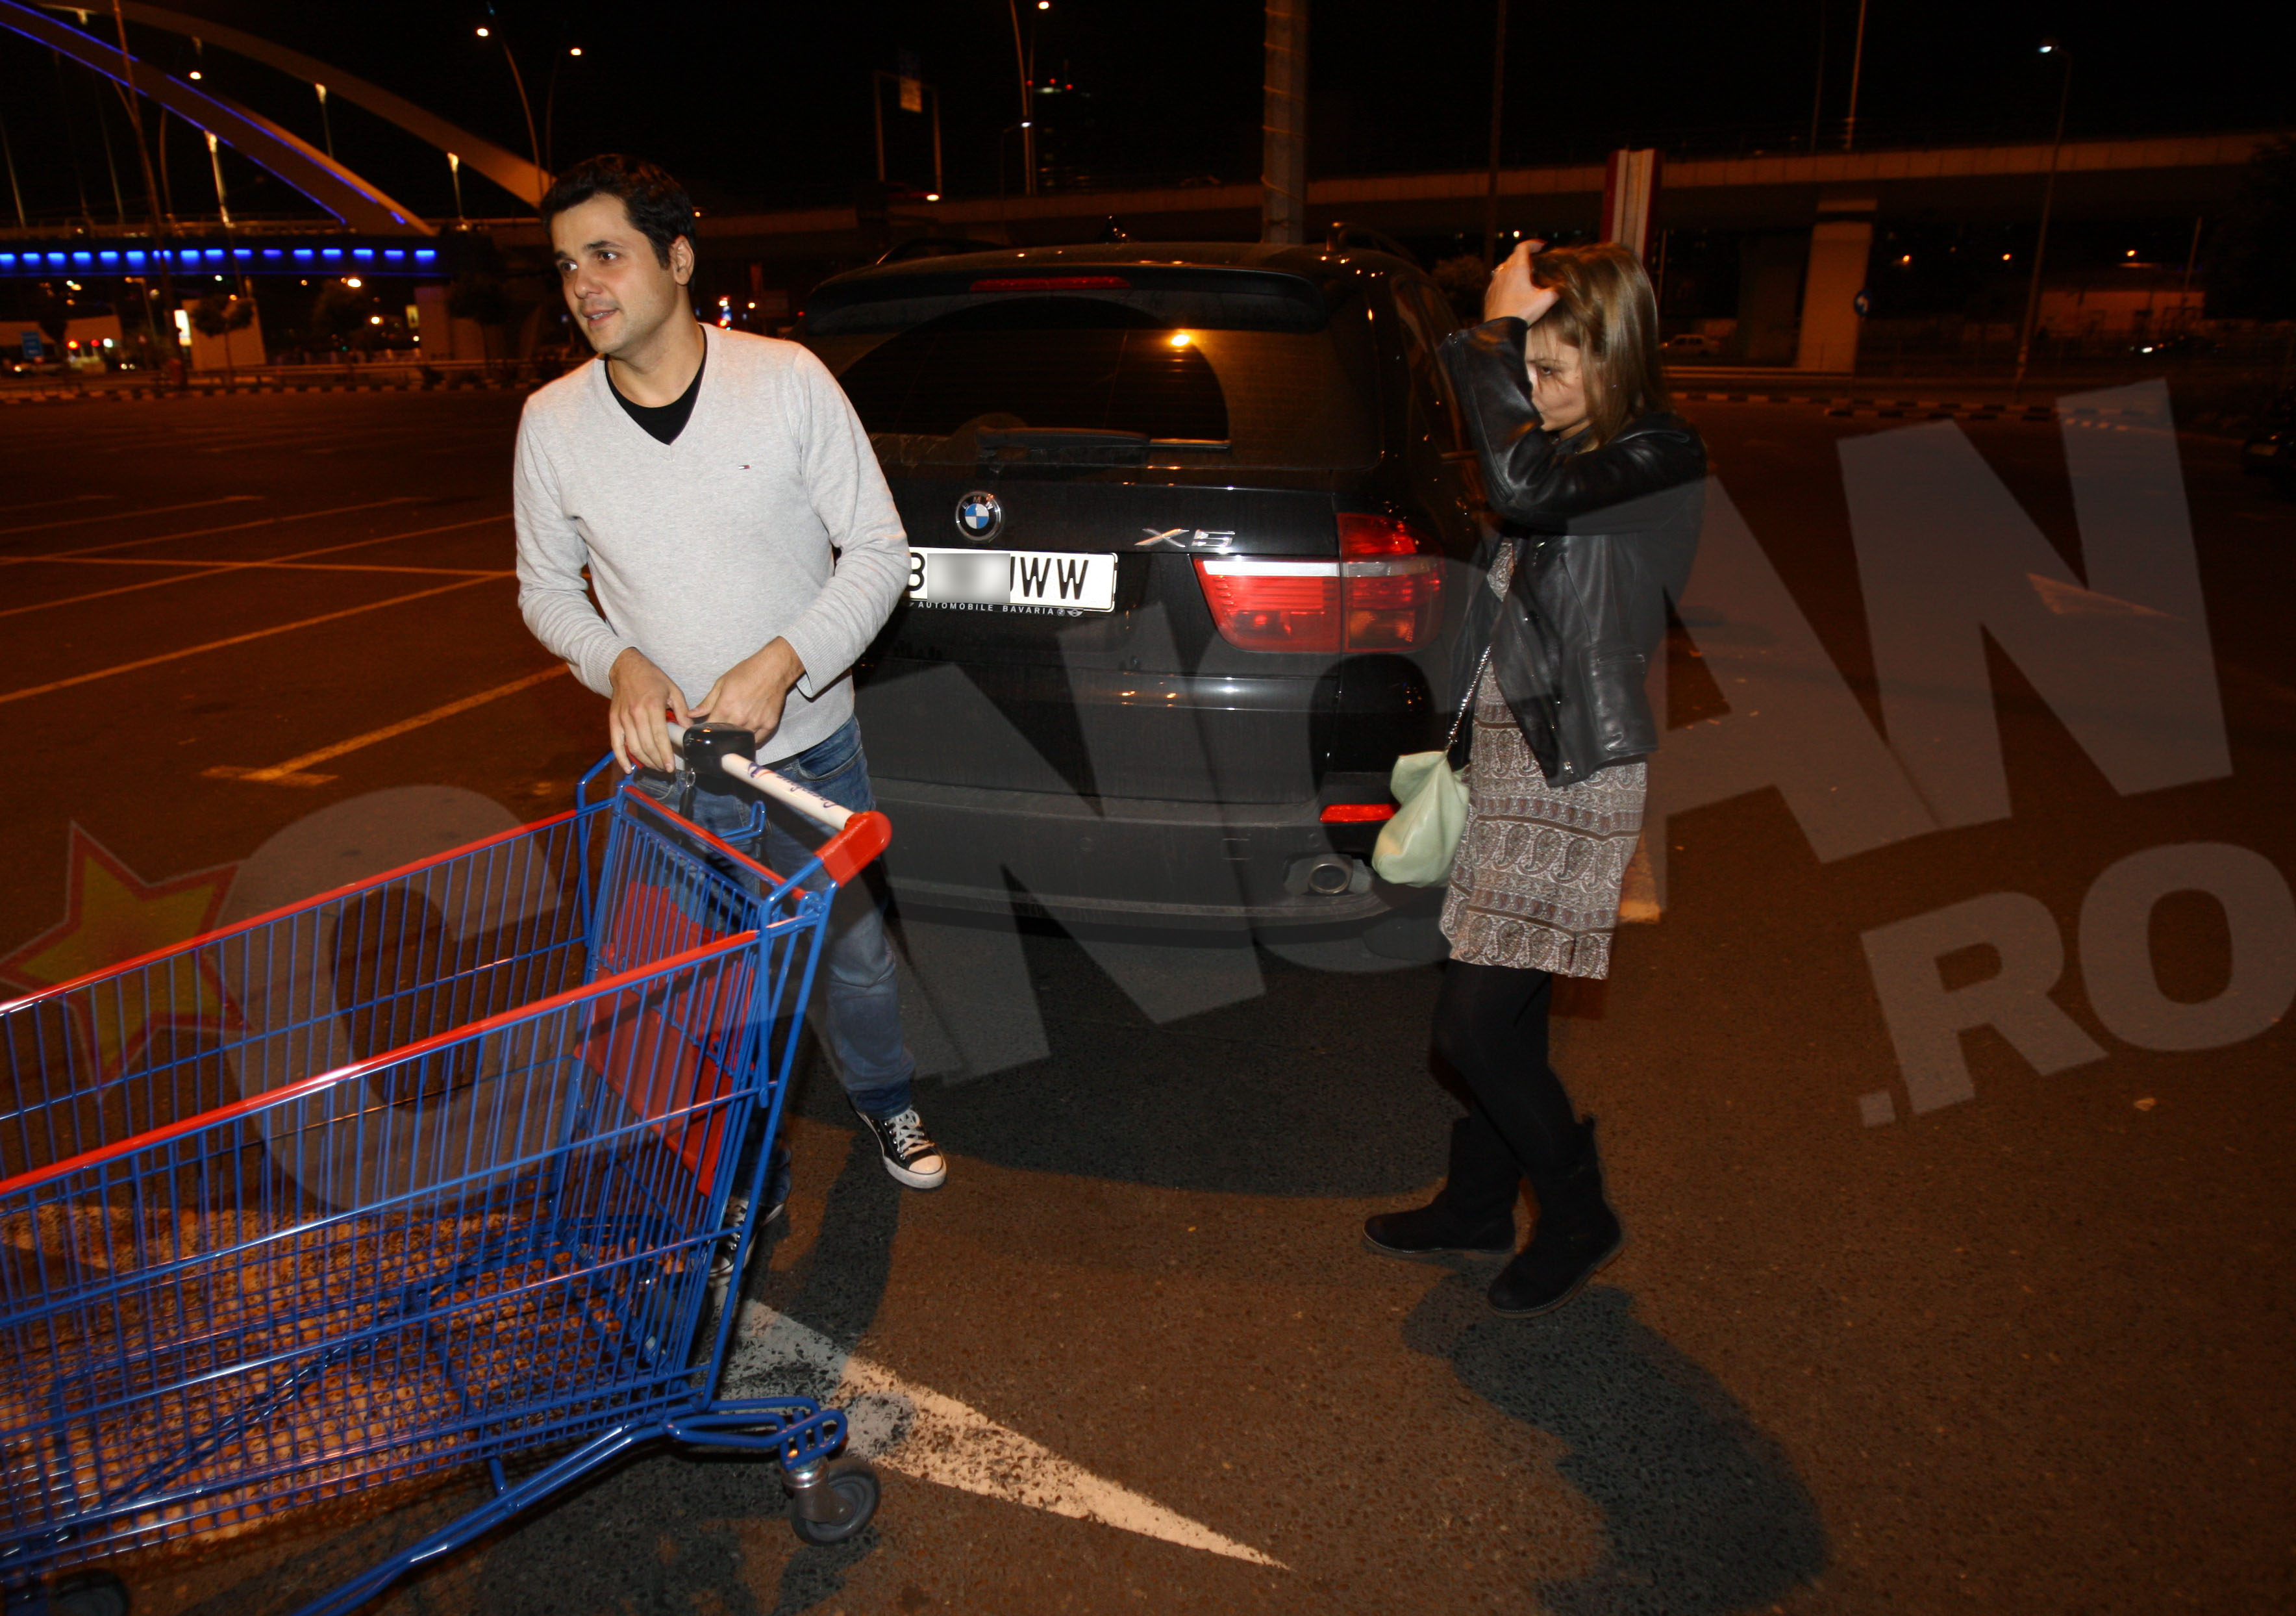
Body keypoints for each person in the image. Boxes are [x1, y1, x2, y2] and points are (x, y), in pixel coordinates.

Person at [512, 154, 944, 1218]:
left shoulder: (787, 379)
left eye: (606, 255)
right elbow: (541, 590)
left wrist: (782, 660)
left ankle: (886, 1099)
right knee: (699, 990)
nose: (584, 288)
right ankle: (744, 1164)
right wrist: (619, 662)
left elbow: (881, 553)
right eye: (568, 266)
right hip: (669, 773)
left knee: (851, 960)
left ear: (679, 257)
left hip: (810, 756)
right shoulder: (551, 422)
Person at [1362, 242, 1705, 1317]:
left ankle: (1578, 1212)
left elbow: (1524, 484)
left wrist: (1491, 337)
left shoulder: (1658, 456)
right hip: (1511, 761)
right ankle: (1476, 1200)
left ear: (1619, 360)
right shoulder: (1580, 453)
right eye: (1533, 369)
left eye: (1557, 371)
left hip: (1574, 777)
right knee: (1500, 1017)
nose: (1537, 392)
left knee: (1470, 1025)